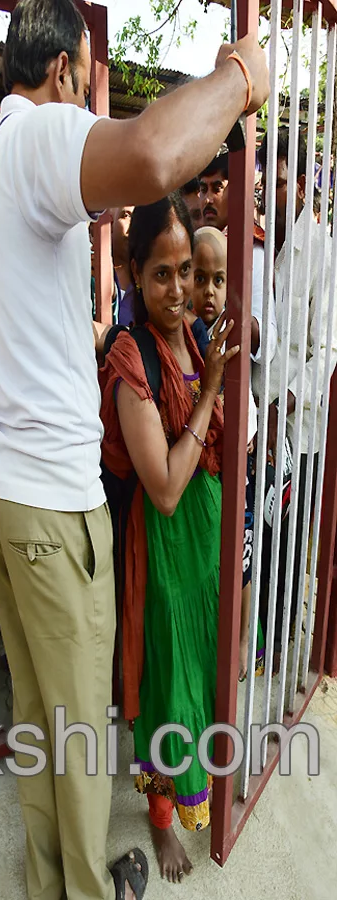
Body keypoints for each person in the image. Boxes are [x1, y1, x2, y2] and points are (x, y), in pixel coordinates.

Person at [0, 0, 267, 896]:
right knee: (82, 732)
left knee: (43, 725)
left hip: (8, 491)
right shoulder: (38, 137)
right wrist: (241, 79)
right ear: (65, 70)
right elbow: (153, 159)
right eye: (90, 83)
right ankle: (89, 887)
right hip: (52, 507)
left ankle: (56, 875)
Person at [99, 195, 240, 880]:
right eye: (163, 273)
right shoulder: (133, 356)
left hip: (205, 545)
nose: (181, 288)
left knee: (203, 680)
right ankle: (160, 822)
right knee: (161, 698)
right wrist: (210, 392)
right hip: (160, 551)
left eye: (187, 271)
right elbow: (163, 486)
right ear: (133, 273)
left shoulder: (194, 336)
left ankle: (197, 791)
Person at [255, 126, 333, 670]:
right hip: (259, 422)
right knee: (257, 534)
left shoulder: (322, 250)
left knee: (285, 542)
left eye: (279, 183)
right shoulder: (263, 244)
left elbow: (326, 349)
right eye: (266, 182)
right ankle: (257, 635)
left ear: (303, 186)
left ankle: (279, 647)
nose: (268, 193)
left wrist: (285, 397)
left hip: (298, 433)